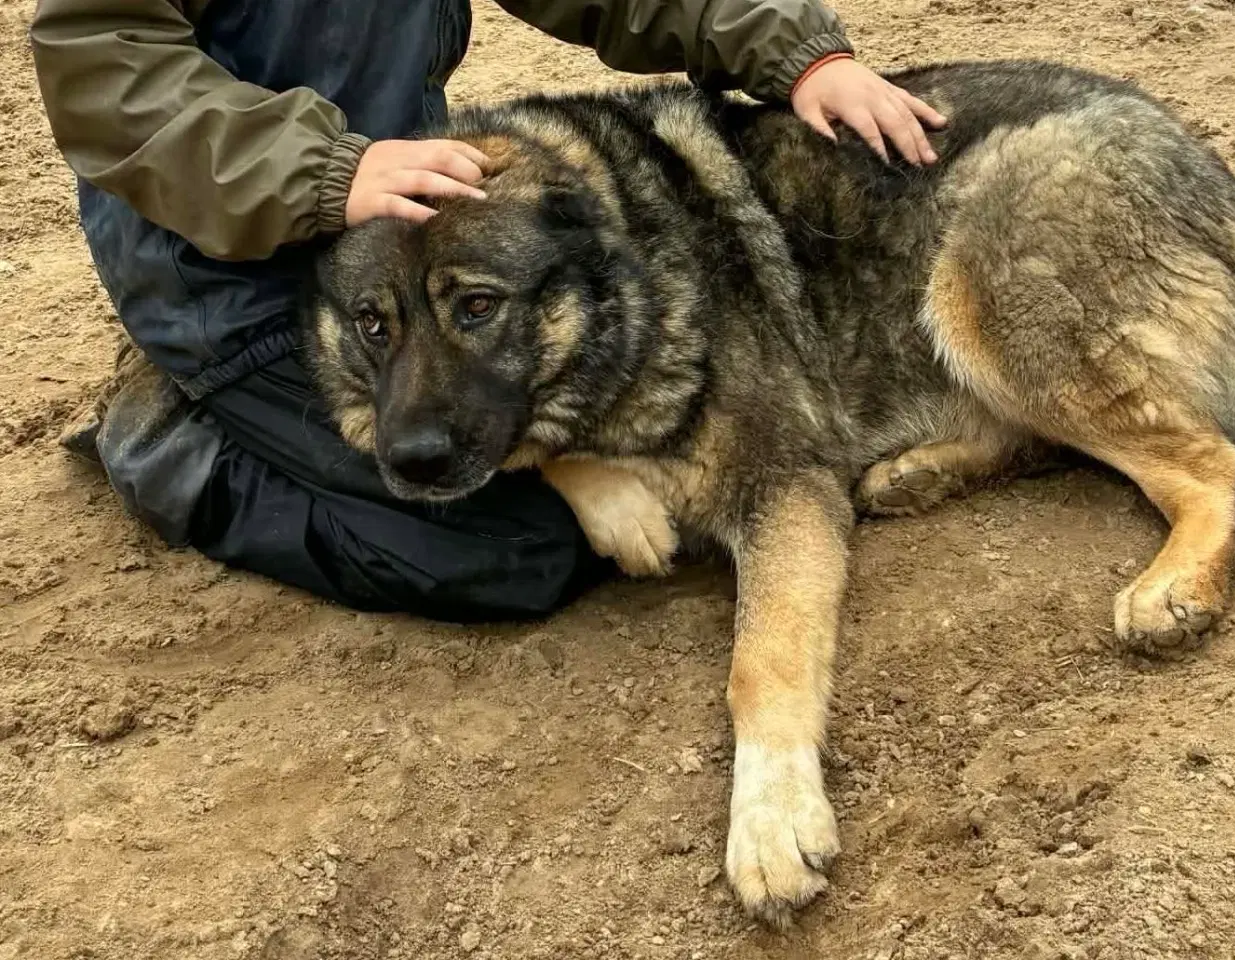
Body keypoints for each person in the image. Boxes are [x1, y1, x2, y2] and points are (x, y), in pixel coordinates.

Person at [29, 0, 946, 623]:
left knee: (639, 488)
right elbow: (103, 63)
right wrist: (321, 173)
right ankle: (165, 441)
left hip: (407, 221)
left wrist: (797, 53)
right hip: (221, 258)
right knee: (516, 555)